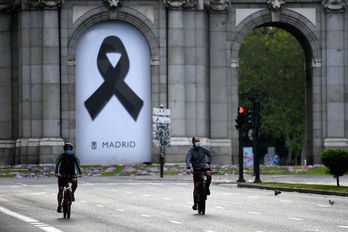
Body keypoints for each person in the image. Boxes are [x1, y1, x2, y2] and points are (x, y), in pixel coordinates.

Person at [185, 136, 213, 211]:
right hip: (196, 170)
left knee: (209, 175)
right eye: (196, 141)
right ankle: (195, 203)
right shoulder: (190, 151)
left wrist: (208, 163)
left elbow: (210, 154)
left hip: (204, 168)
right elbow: (187, 160)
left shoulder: (202, 149)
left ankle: (207, 188)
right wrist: (188, 168)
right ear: (193, 142)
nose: (198, 143)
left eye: (198, 141)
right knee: (196, 186)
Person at [55, 143, 82, 213]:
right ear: (64, 150)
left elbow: (78, 165)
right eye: (67, 149)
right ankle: (59, 205)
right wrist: (57, 173)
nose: (68, 151)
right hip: (62, 175)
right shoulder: (61, 156)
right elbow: (57, 165)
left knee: (75, 182)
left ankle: (72, 193)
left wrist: (79, 173)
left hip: (71, 174)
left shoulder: (74, 157)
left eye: (69, 149)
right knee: (60, 189)